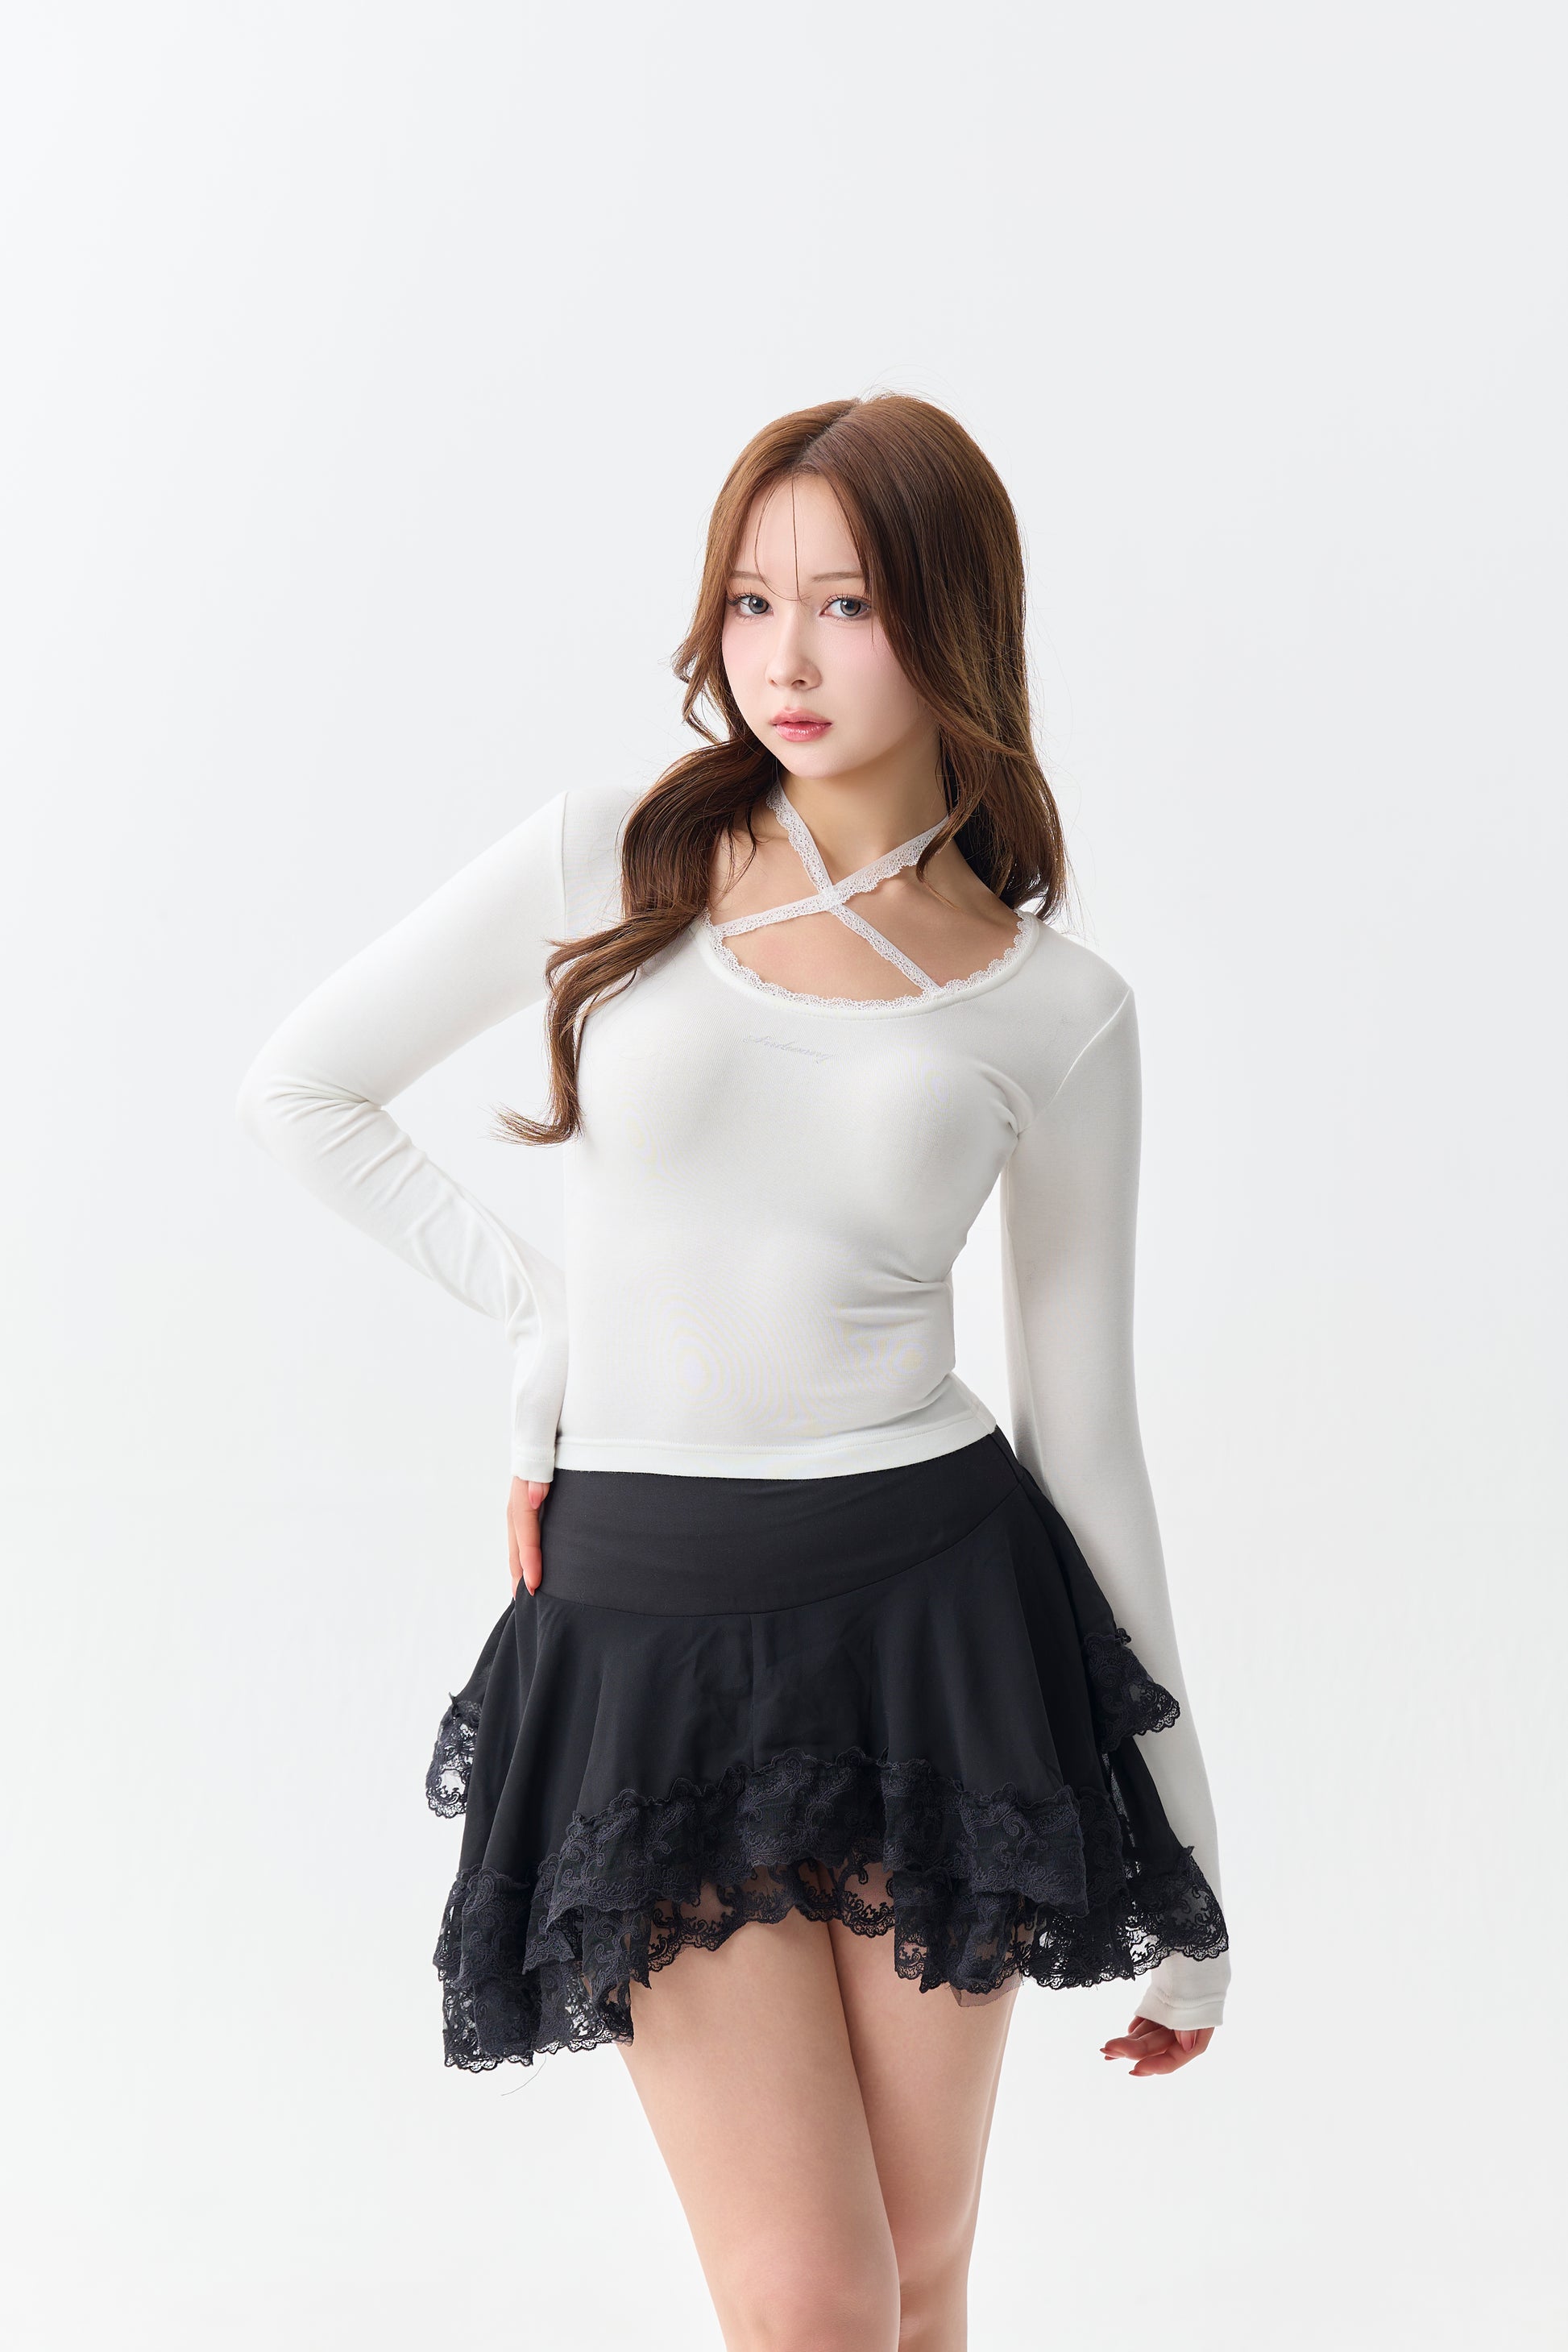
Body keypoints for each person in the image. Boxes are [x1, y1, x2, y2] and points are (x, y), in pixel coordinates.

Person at [236, 392, 1230, 2351]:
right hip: (649, 1625)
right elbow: (304, 1087)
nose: (784, 654)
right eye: (752, 599)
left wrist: (1189, 1860)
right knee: (808, 2298)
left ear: (953, 617)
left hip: (939, 1618)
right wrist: (541, 1316)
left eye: (845, 602)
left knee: (919, 2270)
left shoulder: (1056, 1005)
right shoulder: (613, 854)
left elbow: (1087, 1435)